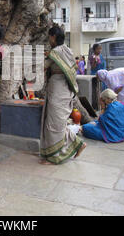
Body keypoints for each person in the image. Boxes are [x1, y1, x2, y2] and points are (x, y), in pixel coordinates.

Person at [40, 24, 86, 165]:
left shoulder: (58, 52)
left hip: (59, 90)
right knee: (55, 123)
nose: (49, 40)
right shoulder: (64, 51)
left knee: (55, 125)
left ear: (53, 37)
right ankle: (78, 143)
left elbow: (44, 65)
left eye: (49, 37)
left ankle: (55, 156)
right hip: (59, 89)